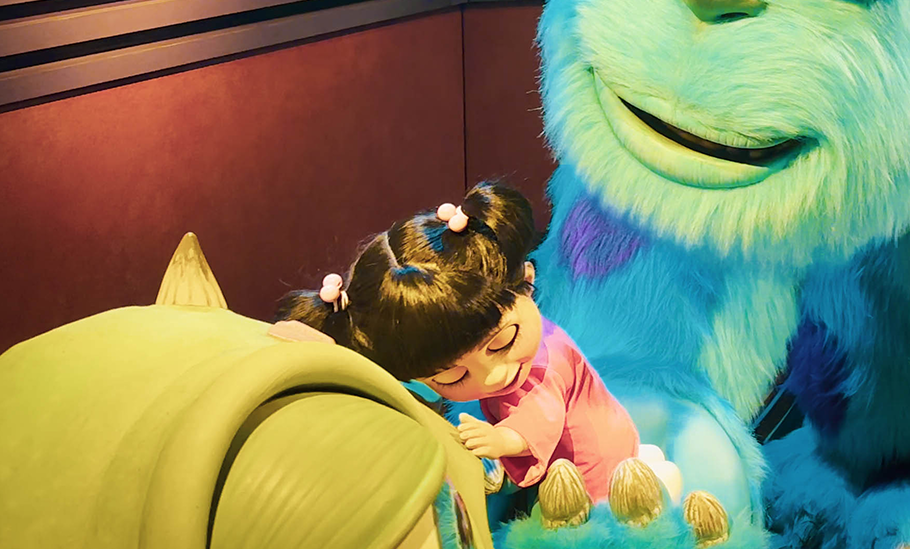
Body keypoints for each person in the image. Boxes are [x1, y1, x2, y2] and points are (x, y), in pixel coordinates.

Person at [276, 181, 680, 524]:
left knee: (589, 519)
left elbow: (543, 415)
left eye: (503, 342)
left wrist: (501, 439)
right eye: (451, 376)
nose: (495, 375)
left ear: (527, 281)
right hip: (545, 451)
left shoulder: (546, 359)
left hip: (593, 454)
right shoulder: (458, 351)